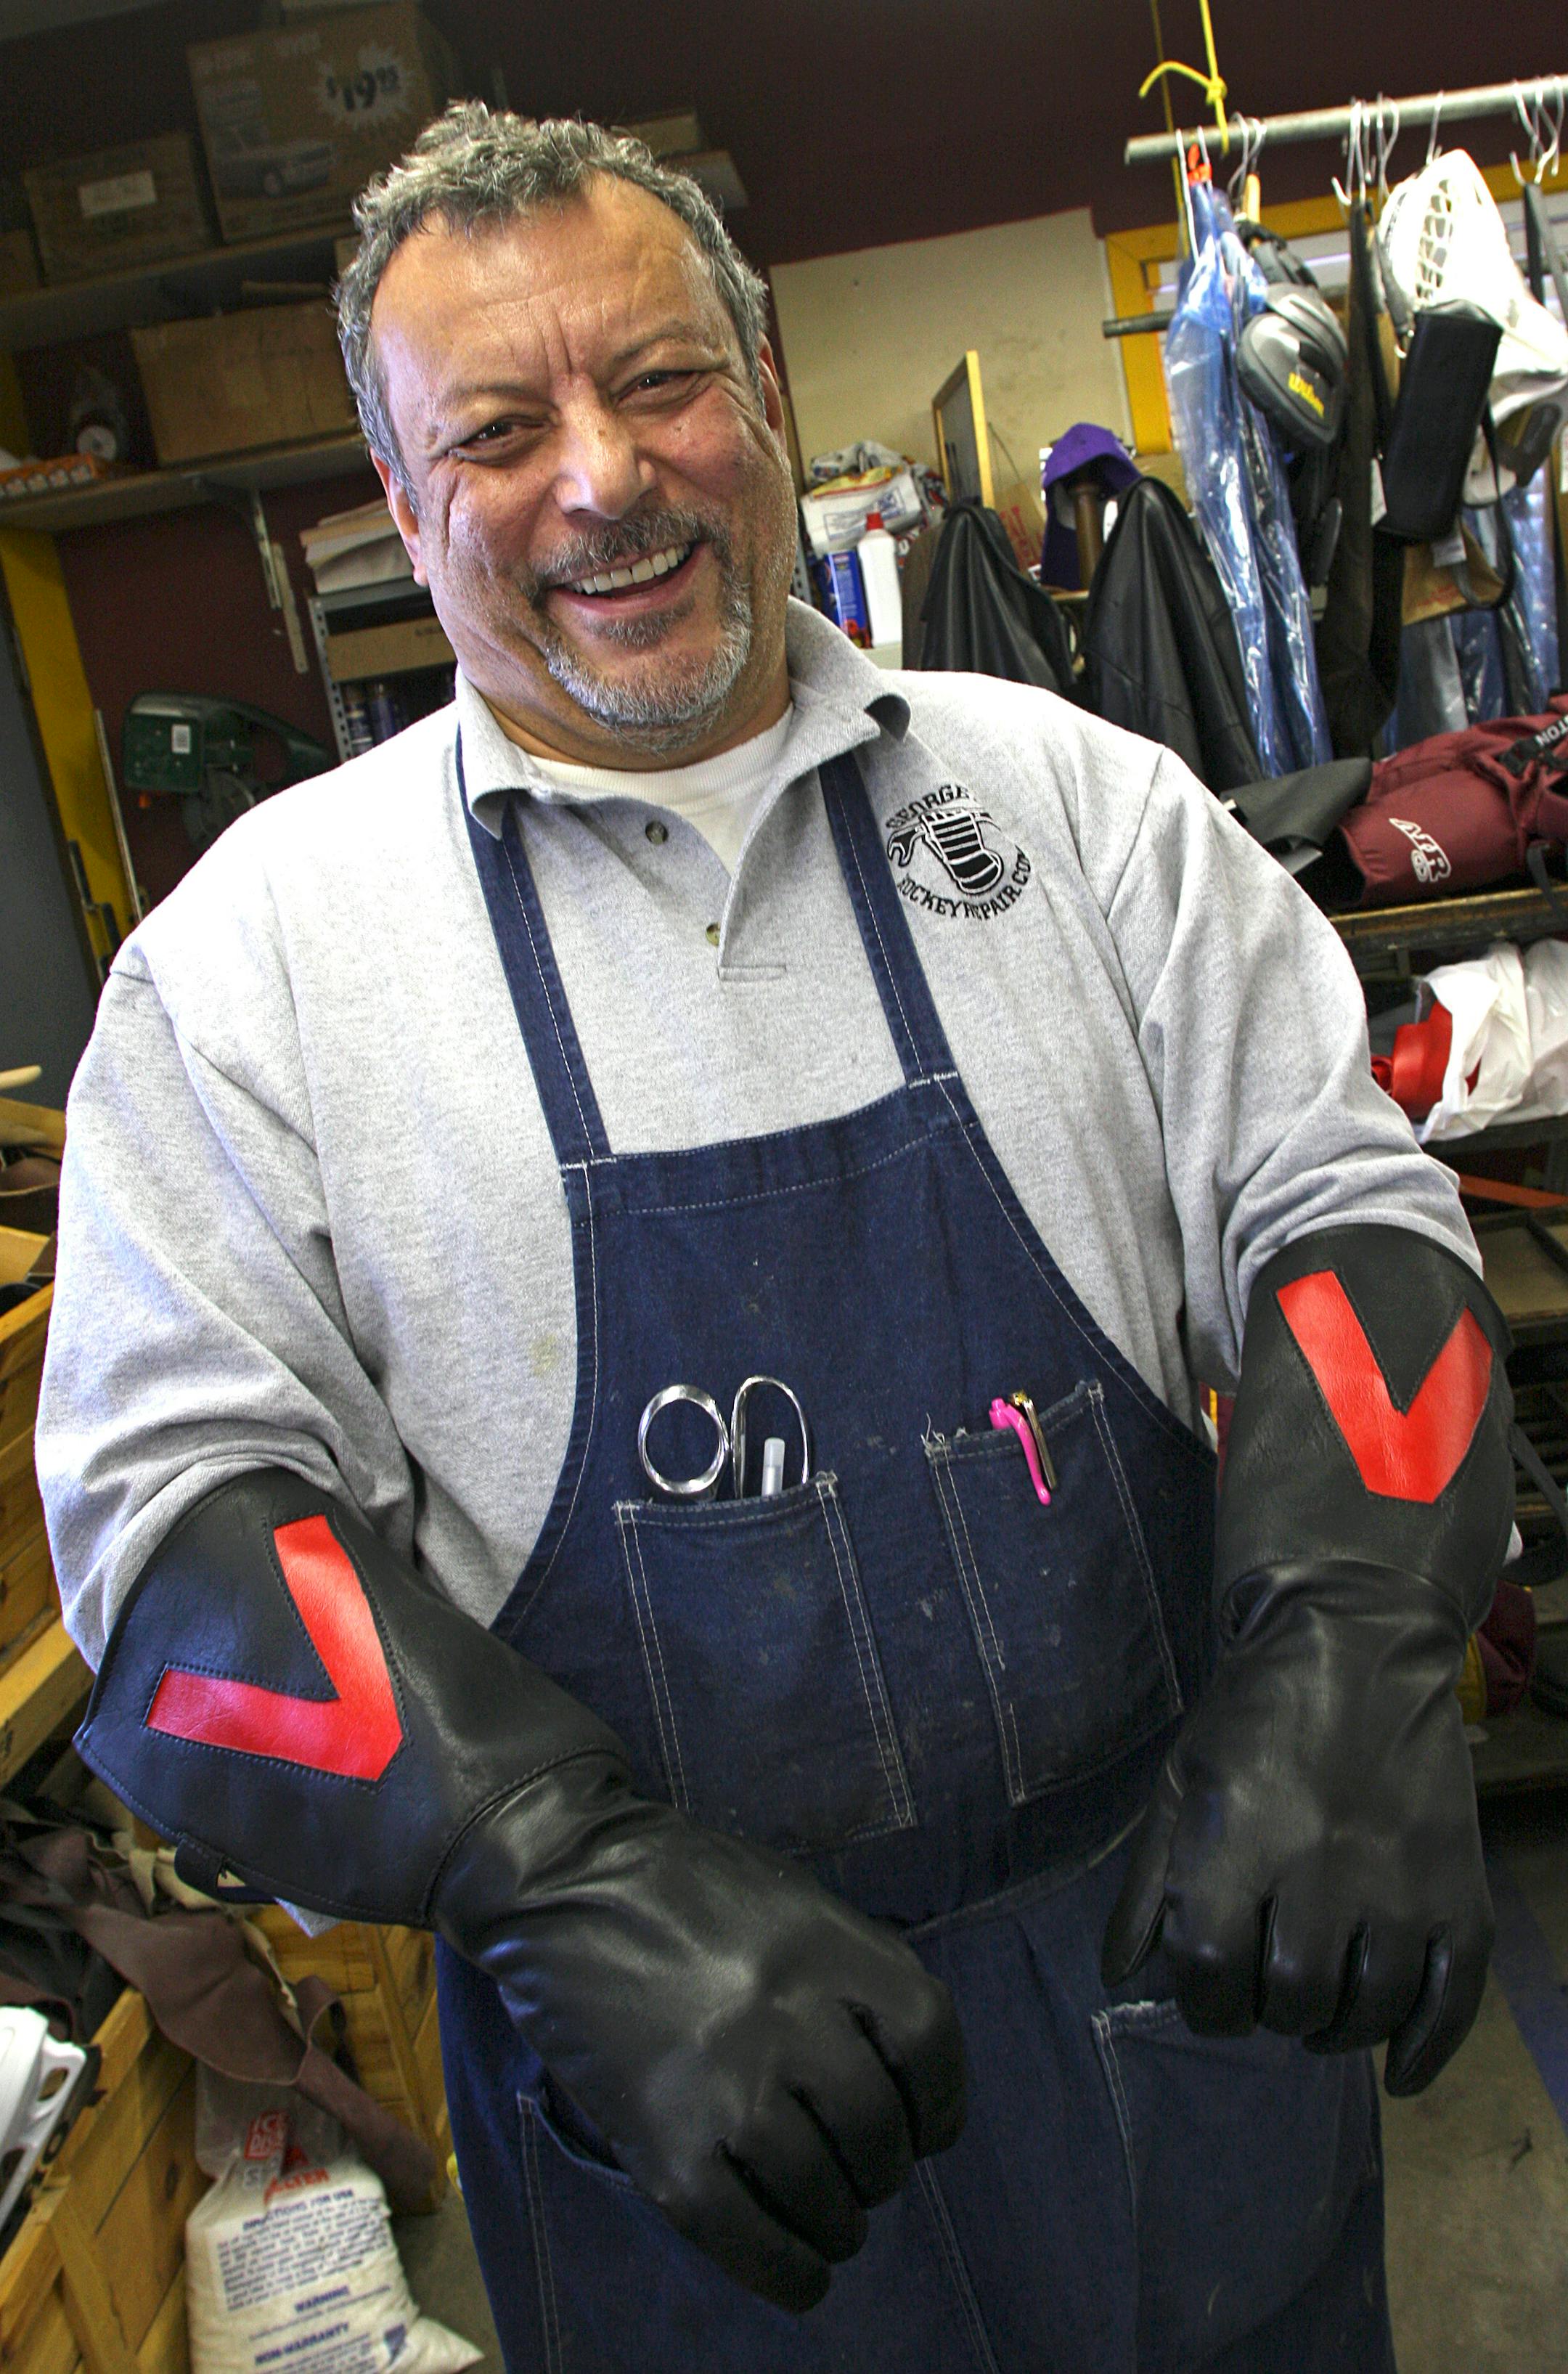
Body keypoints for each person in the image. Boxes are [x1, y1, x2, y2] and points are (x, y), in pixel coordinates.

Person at [38, 105, 1514, 2374]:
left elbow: (1346, 1211)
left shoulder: (1080, 808)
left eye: (658, 383)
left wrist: (1351, 1649)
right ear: (403, 502)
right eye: (498, 434)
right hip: (684, 2142)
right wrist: (556, 1872)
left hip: (1181, 1986)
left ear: (769, 391)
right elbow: (166, 1545)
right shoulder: (258, 974)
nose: (600, 480)